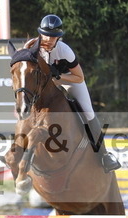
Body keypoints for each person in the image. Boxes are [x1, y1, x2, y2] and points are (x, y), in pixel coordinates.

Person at [36, 14, 121, 173]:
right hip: (45, 83)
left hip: (68, 79)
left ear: (58, 38)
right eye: (45, 35)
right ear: (40, 33)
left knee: (88, 112)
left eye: (53, 37)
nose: (48, 39)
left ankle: (104, 155)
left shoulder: (64, 51)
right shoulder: (33, 47)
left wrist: (58, 77)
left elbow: (79, 77)